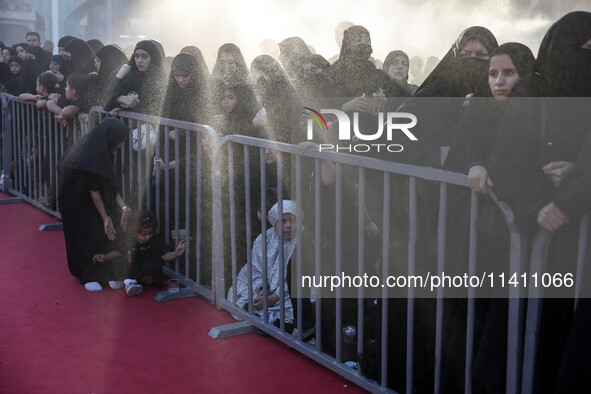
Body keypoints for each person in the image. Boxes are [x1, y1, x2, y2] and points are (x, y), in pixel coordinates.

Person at [57, 118, 132, 292]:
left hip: (91, 197)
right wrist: (105, 217)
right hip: (75, 201)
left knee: (102, 232)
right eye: (121, 140)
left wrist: (123, 207)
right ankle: (88, 274)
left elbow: (109, 186)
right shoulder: (91, 155)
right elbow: (94, 191)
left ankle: (107, 273)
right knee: (87, 234)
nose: (122, 144)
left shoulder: (105, 150)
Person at [228, 200, 296, 326]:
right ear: (274, 222)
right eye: (283, 221)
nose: (288, 226)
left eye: (293, 221)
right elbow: (256, 267)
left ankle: (282, 320)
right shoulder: (264, 238)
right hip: (266, 287)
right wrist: (264, 288)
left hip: (288, 292)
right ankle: (260, 308)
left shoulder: (301, 241)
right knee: (241, 289)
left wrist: (274, 297)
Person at [92, 210, 186, 296]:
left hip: (147, 273)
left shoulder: (156, 240)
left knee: (152, 266)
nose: (148, 237)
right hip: (133, 268)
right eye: (143, 235)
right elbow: (117, 252)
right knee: (118, 262)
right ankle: (126, 281)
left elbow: (164, 255)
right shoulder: (128, 241)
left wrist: (175, 253)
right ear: (134, 232)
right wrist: (105, 257)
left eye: (150, 233)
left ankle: (128, 282)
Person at [104, 40, 167, 117]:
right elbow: (105, 102)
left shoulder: (159, 80)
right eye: (136, 56)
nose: (139, 61)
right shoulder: (130, 77)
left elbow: (149, 108)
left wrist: (122, 110)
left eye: (144, 57)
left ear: (153, 58)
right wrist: (120, 97)